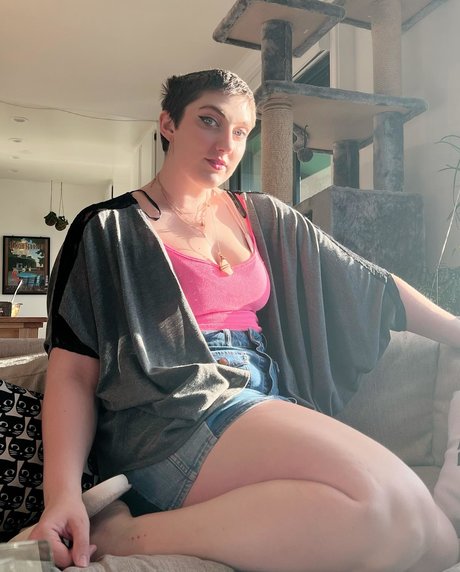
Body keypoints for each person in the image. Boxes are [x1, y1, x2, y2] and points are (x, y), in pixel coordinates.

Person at [28, 69, 460, 572]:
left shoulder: (263, 217)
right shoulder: (108, 229)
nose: (226, 145)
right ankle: (124, 536)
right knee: (389, 508)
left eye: (240, 131)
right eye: (209, 121)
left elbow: (372, 285)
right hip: (172, 414)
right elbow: (73, 374)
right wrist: (62, 496)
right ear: (168, 123)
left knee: (440, 543)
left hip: (262, 401)